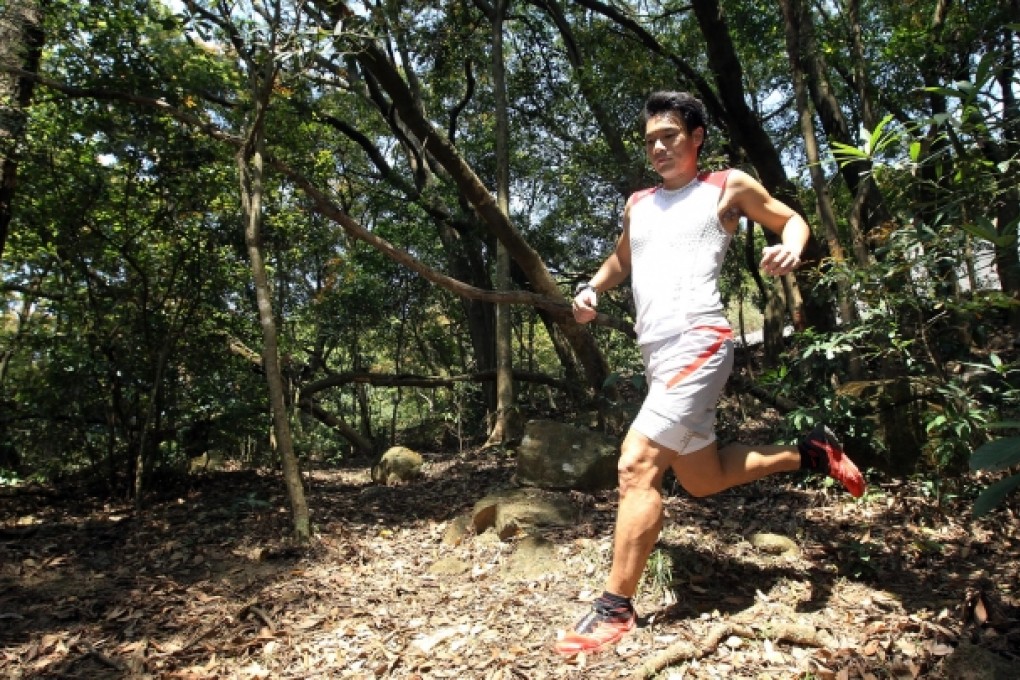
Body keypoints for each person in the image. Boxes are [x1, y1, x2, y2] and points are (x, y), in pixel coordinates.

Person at [554, 91, 865, 656]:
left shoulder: (726, 187)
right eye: (650, 140)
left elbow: (789, 219)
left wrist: (790, 249)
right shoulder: (638, 204)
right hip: (659, 356)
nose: (658, 147)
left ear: (697, 137)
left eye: (669, 135)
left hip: (701, 341)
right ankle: (811, 451)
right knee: (703, 478)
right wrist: (592, 288)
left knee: (636, 465)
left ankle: (614, 608)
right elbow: (623, 259)